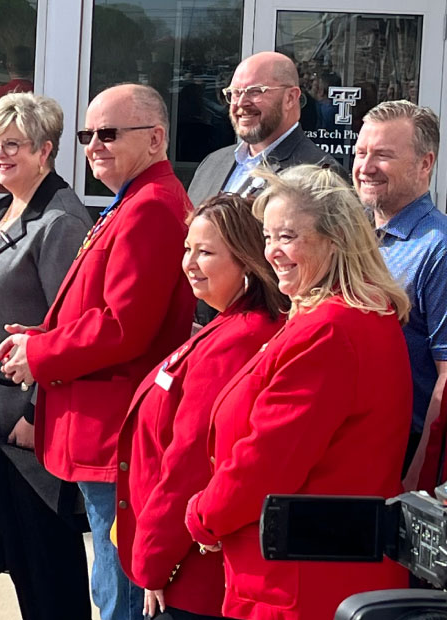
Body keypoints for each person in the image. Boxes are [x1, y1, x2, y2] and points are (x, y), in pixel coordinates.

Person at [0, 83, 195, 620]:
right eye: (87, 135)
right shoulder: (133, 198)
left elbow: (124, 327)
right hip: (108, 428)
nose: (94, 146)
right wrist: (41, 337)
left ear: (155, 139)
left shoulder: (151, 205)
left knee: (120, 589)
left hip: (118, 432)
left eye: (109, 134)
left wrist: (40, 355)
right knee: (112, 580)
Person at [186, 165, 412, 619]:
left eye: (287, 237)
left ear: (336, 241)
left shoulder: (330, 330)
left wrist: (202, 517)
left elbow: (265, 462)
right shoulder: (353, 315)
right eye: (268, 238)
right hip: (318, 572)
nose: (272, 252)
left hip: (300, 586)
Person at [0, 92, 92, 620]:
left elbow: (72, 331)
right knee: (25, 578)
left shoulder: (60, 222)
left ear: (46, 150)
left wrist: (37, 415)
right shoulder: (4, 207)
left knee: (50, 580)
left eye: (14, 145)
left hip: (31, 440)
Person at [114, 194, 287, 620]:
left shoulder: (238, 340)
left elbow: (189, 463)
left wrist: (152, 560)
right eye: (187, 249)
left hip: (188, 578)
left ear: (247, 260)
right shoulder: (227, 325)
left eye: (205, 252)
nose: (189, 263)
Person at [352, 101, 447, 491]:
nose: (366, 167)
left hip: (404, 456)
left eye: (384, 155)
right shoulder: (354, 237)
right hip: (354, 448)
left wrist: (418, 478)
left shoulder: (437, 249)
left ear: (426, 164)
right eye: (361, 153)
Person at [188, 52, 340, 205]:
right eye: (235, 93)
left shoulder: (320, 176)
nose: (241, 103)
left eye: (255, 91)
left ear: (290, 98)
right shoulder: (212, 164)